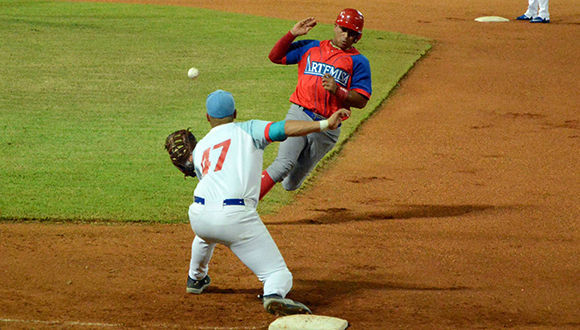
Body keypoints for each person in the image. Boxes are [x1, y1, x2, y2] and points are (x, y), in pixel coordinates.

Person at [185, 89, 350, 316]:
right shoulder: (249, 129)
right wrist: (323, 124)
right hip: (235, 218)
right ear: (235, 113)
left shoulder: (201, 146)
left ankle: (195, 278)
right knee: (278, 274)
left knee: (205, 234)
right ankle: (273, 294)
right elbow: (285, 128)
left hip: (199, 215)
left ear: (207, 117)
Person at [259, 9, 372, 200]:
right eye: (343, 29)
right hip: (299, 114)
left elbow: (362, 100)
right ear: (335, 26)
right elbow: (275, 57)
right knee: (282, 165)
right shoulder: (310, 47)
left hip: (327, 128)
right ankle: (242, 204)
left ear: (358, 38)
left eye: (352, 33)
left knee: (290, 184)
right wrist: (292, 34)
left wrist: (339, 91)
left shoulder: (359, 62)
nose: (346, 36)